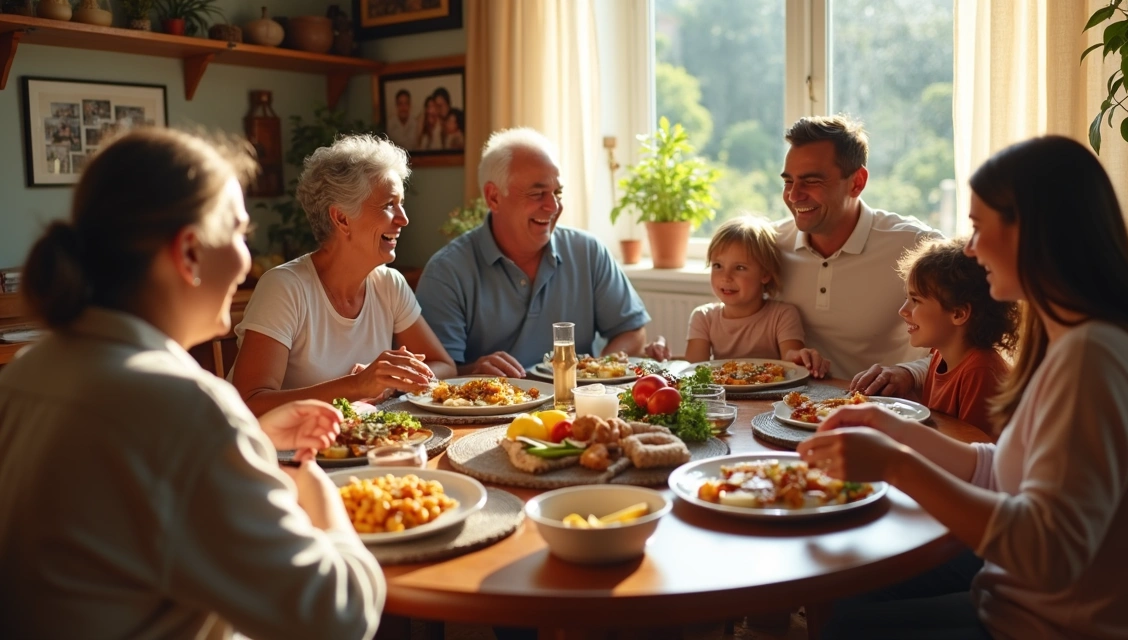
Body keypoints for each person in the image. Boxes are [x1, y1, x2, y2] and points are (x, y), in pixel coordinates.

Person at [798, 136, 1128, 639]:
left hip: (1059, 627)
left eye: (977, 227)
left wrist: (895, 465)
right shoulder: (1081, 336)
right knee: (848, 579)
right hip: (1028, 603)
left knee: (847, 622)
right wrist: (894, 429)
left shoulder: (1094, 358)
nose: (970, 248)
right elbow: (1010, 470)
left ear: (1031, 233)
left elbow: (1048, 552)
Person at [0, 128, 384, 638]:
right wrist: (314, 489)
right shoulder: (185, 407)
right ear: (188, 253)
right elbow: (341, 616)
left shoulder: (28, 372)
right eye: (239, 233)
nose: (247, 260)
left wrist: (252, 442)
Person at [230, 134, 456, 416]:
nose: (404, 219)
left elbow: (444, 366)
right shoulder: (284, 287)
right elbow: (250, 403)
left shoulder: (388, 283)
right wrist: (356, 386)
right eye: (389, 205)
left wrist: (389, 382)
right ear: (341, 218)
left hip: (358, 439)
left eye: (401, 203)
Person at [416, 127, 650, 376]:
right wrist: (474, 371)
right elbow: (434, 375)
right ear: (494, 197)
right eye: (537, 194)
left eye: (557, 193)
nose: (553, 206)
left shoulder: (589, 252)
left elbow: (632, 331)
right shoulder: (446, 272)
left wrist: (594, 371)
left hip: (575, 398)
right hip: (497, 401)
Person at [776, 114, 941, 380]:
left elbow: (966, 346)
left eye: (812, 181)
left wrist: (909, 374)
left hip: (886, 403)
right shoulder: (770, 245)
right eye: (788, 182)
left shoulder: (918, 246)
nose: (794, 195)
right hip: (789, 402)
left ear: (857, 182)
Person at [886, 236, 1018, 435]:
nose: (903, 311)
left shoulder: (979, 372)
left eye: (916, 300)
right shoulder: (940, 357)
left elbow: (971, 447)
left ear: (958, 314)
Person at [644, 216, 808, 365]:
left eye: (740, 267)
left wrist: (800, 357)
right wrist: (661, 358)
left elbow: (792, 364)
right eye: (718, 266)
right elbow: (694, 370)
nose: (726, 277)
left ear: (765, 274)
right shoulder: (703, 318)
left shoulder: (783, 315)